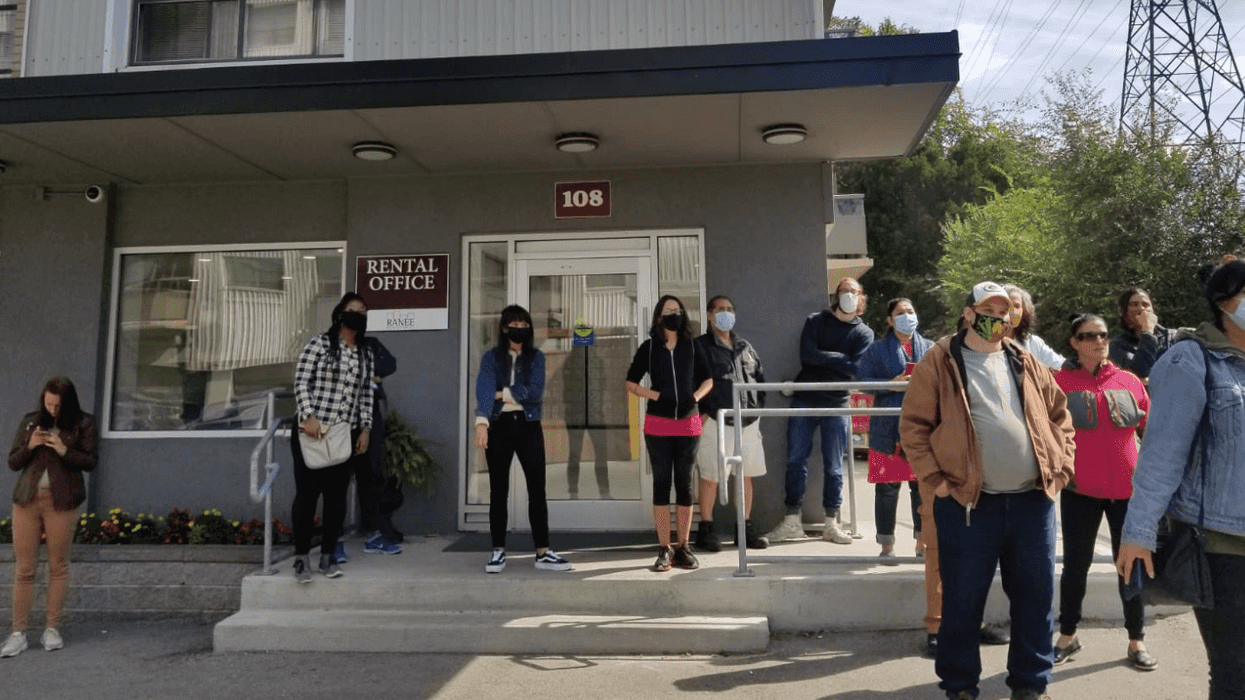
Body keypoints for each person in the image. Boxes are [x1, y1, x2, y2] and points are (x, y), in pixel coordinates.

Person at [900, 281, 1076, 700]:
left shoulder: (1024, 359)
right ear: (968, 314)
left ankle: (1031, 684)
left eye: (1003, 311)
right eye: (988, 310)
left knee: (1036, 598)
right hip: (967, 505)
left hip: (1032, 503)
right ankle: (960, 686)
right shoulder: (940, 361)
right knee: (962, 600)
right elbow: (914, 428)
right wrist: (938, 482)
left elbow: (1060, 416)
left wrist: (1061, 469)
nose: (997, 318)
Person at [1118, 260, 1245, 700]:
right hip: (1222, 545)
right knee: (1234, 673)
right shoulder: (1191, 359)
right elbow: (1161, 455)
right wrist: (1138, 533)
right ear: (1224, 304)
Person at [1052, 313, 1154, 670]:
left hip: (1129, 492)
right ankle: (1067, 636)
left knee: (1130, 566)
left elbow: (1150, 432)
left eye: (1103, 334)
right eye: (1089, 335)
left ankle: (1137, 640)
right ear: (1074, 343)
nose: (1098, 340)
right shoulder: (1059, 383)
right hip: (1080, 491)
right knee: (1075, 567)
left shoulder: (1129, 380)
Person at [767, 277, 875, 544]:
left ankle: (831, 523)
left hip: (837, 404)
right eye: (844, 291)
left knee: (834, 466)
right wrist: (841, 358)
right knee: (795, 460)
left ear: (861, 297)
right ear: (836, 295)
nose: (849, 295)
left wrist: (824, 356)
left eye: (854, 291)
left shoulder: (864, 333)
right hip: (805, 400)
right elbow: (807, 356)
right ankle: (792, 520)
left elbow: (857, 369)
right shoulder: (816, 321)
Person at [3, 377, 97, 658]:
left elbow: (91, 461)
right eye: (48, 404)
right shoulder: (31, 421)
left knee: (57, 566)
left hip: (62, 502)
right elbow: (13, 461)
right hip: (27, 500)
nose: (52, 409)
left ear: (68, 403)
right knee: (25, 568)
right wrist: (30, 445)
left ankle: (51, 629)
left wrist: (64, 450)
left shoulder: (84, 423)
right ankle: (18, 633)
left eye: (58, 405)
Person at [474, 305, 572, 574]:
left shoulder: (536, 357)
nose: (519, 329)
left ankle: (542, 552)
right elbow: (484, 390)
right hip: (499, 426)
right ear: (504, 328)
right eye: (514, 325)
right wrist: (481, 423)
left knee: (537, 489)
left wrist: (501, 394)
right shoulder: (491, 357)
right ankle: (498, 551)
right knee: (498, 491)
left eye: (523, 324)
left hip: (528, 426)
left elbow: (535, 392)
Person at [290, 293, 375, 583]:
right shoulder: (320, 344)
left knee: (336, 499)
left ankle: (327, 557)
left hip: (343, 433)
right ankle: (301, 558)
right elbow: (301, 381)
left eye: (362, 311)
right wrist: (308, 415)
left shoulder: (365, 353)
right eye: (352, 310)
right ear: (340, 314)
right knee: (307, 495)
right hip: (313, 430)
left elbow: (365, 394)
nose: (357, 315)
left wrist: (365, 429)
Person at [626, 295, 713, 571]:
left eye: (677, 309)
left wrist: (695, 397)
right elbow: (630, 382)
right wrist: (655, 395)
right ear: (658, 316)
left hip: (688, 423)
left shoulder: (693, 346)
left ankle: (683, 547)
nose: (673, 313)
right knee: (662, 484)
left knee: (685, 485)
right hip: (658, 424)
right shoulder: (649, 348)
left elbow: (708, 379)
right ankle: (664, 548)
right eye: (668, 310)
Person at [857, 297, 932, 560]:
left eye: (910, 311)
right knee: (887, 490)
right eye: (900, 313)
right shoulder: (877, 349)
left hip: (921, 426)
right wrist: (891, 384)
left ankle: (922, 542)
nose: (907, 316)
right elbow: (863, 381)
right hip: (887, 426)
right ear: (890, 320)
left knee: (921, 489)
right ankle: (886, 545)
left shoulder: (930, 348)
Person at [694, 295, 768, 552]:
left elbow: (760, 379)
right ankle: (706, 529)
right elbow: (692, 381)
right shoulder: (700, 347)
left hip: (747, 422)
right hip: (716, 421)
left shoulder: (745, 346)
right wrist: (702, 412)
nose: (726, 313)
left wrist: (757, 410)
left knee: (745, 475)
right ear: (710, 315)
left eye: (729, 309)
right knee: (711, 476)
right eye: (720, 309)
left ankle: (744, 528)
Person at [341, 335, 402, 560]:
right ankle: (334, 541)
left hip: (369, 417)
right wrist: (370, 377)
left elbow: (390, 364)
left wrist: (365, 374)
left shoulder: (370, 343)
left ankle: (376, 532)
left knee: (371, 475)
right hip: (340, 418)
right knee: (337, 480)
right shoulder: (331, 345)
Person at [1108, 286, 1179, 380]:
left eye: (1146, 305)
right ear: (1124, 312)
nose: (1141, 308)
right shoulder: (1117, 345)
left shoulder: (1173, 337)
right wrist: (1147, 332)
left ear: (1153, 311)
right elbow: (1140, 372)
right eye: (1134, 304)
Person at [1002, 284, 1065, 371]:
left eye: (1017, 306)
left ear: (1024, 310)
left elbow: (1061, 366)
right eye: (1008, 306)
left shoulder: (1033, 342)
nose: (1013, 312)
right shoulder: (988, 344)